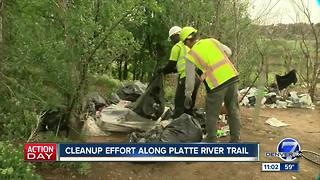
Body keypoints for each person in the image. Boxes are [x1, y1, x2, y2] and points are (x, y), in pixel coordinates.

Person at [180, 26, 241, 143]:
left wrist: (188, 95)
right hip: (232, 76)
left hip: (217, 84)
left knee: (211, 113)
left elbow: (190, 80)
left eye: (184, 43)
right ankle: (236, 140)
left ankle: (211, 139)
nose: (185, 45)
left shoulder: (191, 55)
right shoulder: (212, 41)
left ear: (188, 41)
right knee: (233, 110)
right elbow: (228, 52)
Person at [158, 26, 200, 119]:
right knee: (189, 104)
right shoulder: (191, 45)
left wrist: (162, 70)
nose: (173, 41)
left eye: (172, 38)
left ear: (177, 35)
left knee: (179, 103)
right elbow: (181, 66)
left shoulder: (177, 47)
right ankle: (189, 126)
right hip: (196, 78)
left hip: (186, 78)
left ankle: (177, 127)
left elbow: (171, 65)